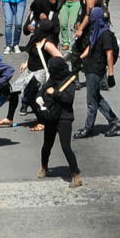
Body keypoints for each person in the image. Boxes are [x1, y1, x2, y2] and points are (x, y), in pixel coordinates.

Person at [76, 7, 120, 138]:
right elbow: (91, 46)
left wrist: (111, 74)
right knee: (96, 97)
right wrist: (79, 58)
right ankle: (114, 122)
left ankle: (88, 128)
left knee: (91, 102)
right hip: (90, 67)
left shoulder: (105, 34)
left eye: (92, 18)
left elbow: (109, 54)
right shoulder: (96, 31)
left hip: (96, 70)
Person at [37, 56, 81, 188]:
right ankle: (44, 166)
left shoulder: (69, 81)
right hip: (51, 116)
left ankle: (76, 175)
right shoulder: (53, 78)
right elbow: (44, 89)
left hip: (64, 117)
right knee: (47, 145)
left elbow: (69, 99)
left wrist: (54, 93)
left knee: (66, 146)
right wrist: (40, 96)